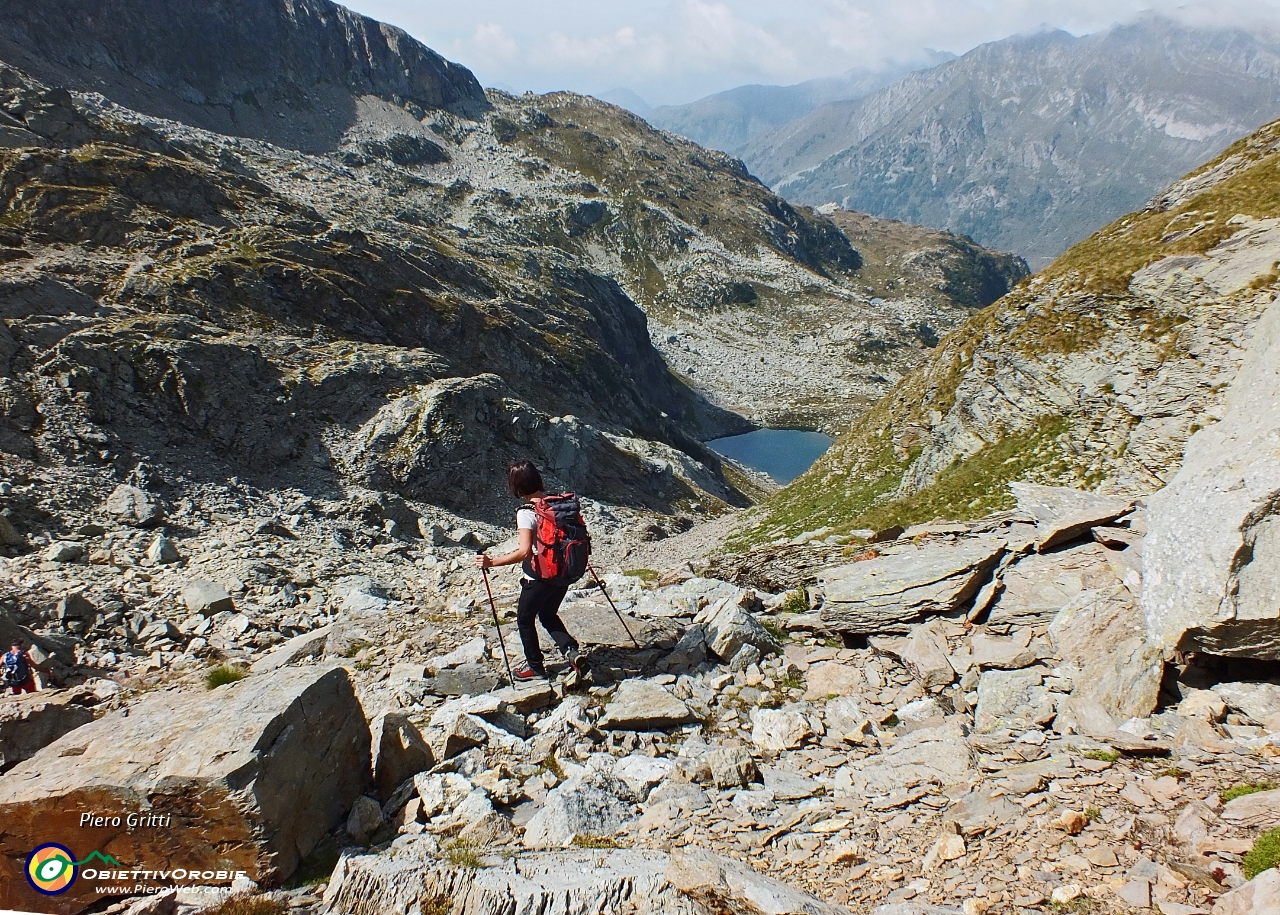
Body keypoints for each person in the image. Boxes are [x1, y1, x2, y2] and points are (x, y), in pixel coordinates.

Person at [475, 460, 583, 681]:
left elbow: (525, 552)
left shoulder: (527, 512)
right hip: (565, 573)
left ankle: (535, 667)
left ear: (516, 486)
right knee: (548, 614)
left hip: (540, 576)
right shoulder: (557, 504)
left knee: (525, 619)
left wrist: (491, 562)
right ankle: (572, 653)